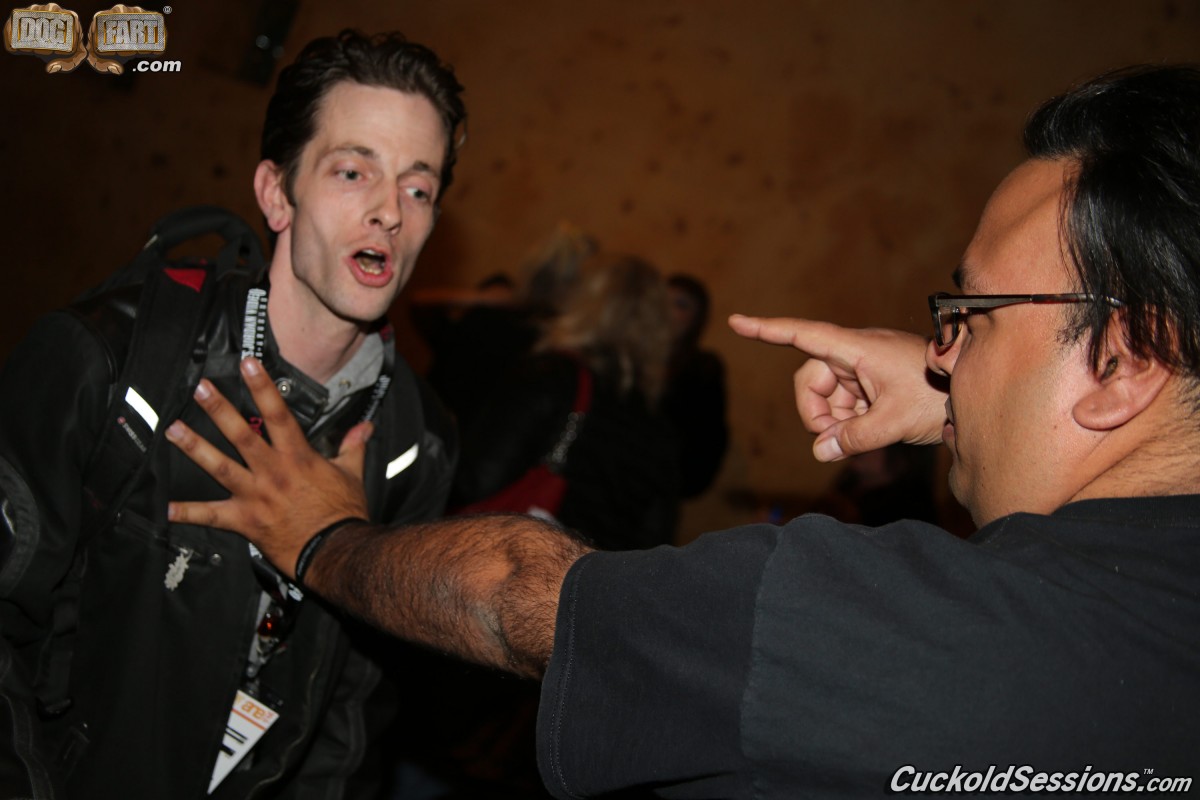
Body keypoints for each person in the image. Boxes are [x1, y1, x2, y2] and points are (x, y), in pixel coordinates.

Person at [166, 64, 1200, 797]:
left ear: (1122, 361)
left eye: (968, 314)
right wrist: (958, 395)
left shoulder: (895, 627)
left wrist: (324, 535)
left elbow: (517, 594)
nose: (939, 346)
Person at [0, 30, 465, 799]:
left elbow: (350, 718)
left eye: (419, 189)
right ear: (278, 194)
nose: (389, 211)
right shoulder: (111, 361)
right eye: (353, 172)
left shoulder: (418, 444)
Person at [451, 253, 680, 550]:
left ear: (583, 303)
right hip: (596, 573)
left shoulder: (552, 375)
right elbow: (655, 540)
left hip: (518, 561)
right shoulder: (660, 426)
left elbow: (478, 479)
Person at [660, 273, 729, 499]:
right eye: (661, 301)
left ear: (696, 319)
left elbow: (708, 441)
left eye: (680, 305)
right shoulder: (626, 358)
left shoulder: (702, 369)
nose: (667, 311)